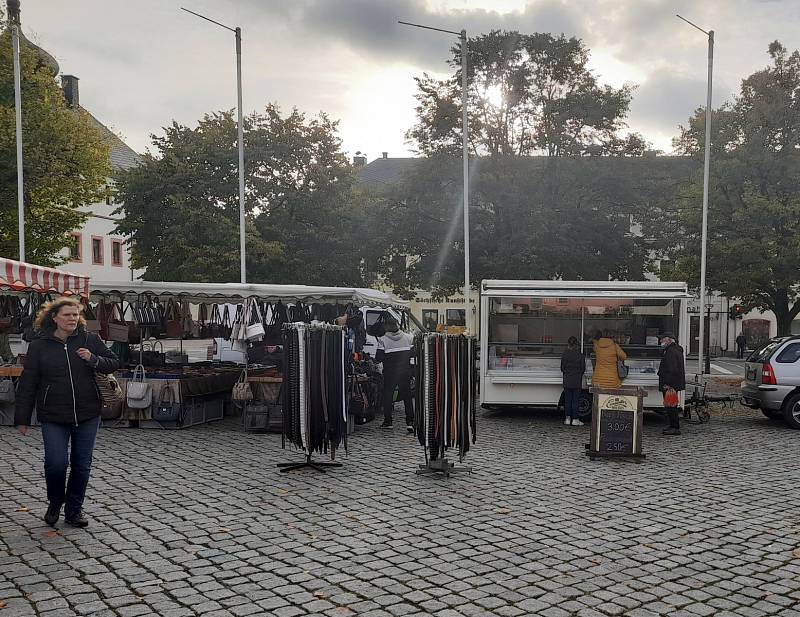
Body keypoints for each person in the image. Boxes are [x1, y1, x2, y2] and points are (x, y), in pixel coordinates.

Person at [15, 297, 120, 528]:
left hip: (88, 413)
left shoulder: (89, 339)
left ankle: (74, 510)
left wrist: (93, 359)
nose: (72, 318)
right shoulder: (39, 346)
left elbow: (114, 362)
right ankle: (55, 502)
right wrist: (22, 418)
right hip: (53, 414)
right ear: (54, 318)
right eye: (67, 315)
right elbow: (28, 383)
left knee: (82, 464)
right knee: (55, 463)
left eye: (75, 314)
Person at [376, 316, 414, 432]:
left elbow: (379, 357)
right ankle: (410, 422)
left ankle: (388, 422)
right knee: (407, 397)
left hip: (390, 373)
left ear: (386, 326)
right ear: (397, 325)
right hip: (404, 372)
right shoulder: (409, 337)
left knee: (388, 397)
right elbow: (413, 354)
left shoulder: (382, 339)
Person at [657, 331, 685, 436]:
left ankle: (674, 427)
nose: (660, 341)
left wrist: (667, 383)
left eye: (662, 339)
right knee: (671, 405)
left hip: (670, 384)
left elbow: (671, 369)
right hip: (673, 383)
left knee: (671, 406)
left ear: (669, 339)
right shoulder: (675, 350)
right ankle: (672, 426)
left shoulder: (671, 352)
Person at [560, 336, 586, 426]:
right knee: (575, 400)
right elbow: (583, 369)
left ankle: (567, 419)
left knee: (567, 400)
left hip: (567, 380)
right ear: (576, 344)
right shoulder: (580, 355)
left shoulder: (564, 354)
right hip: (577, 381)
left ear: (568, 344)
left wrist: (567, 373)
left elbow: (562, 368)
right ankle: (575, 419)